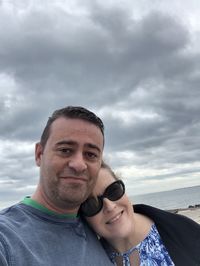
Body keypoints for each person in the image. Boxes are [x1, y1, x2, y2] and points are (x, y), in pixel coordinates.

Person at [0, 106, 113, 266]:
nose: (79, 165)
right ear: (39, 154)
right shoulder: (7, 239)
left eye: (90, 154)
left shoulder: (100, 225)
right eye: (65, 150)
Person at [80, 162, 200, 266]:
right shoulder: (86, 258)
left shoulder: (183, 230)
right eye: (91, 204)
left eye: (113, 190)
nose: (110, 207)